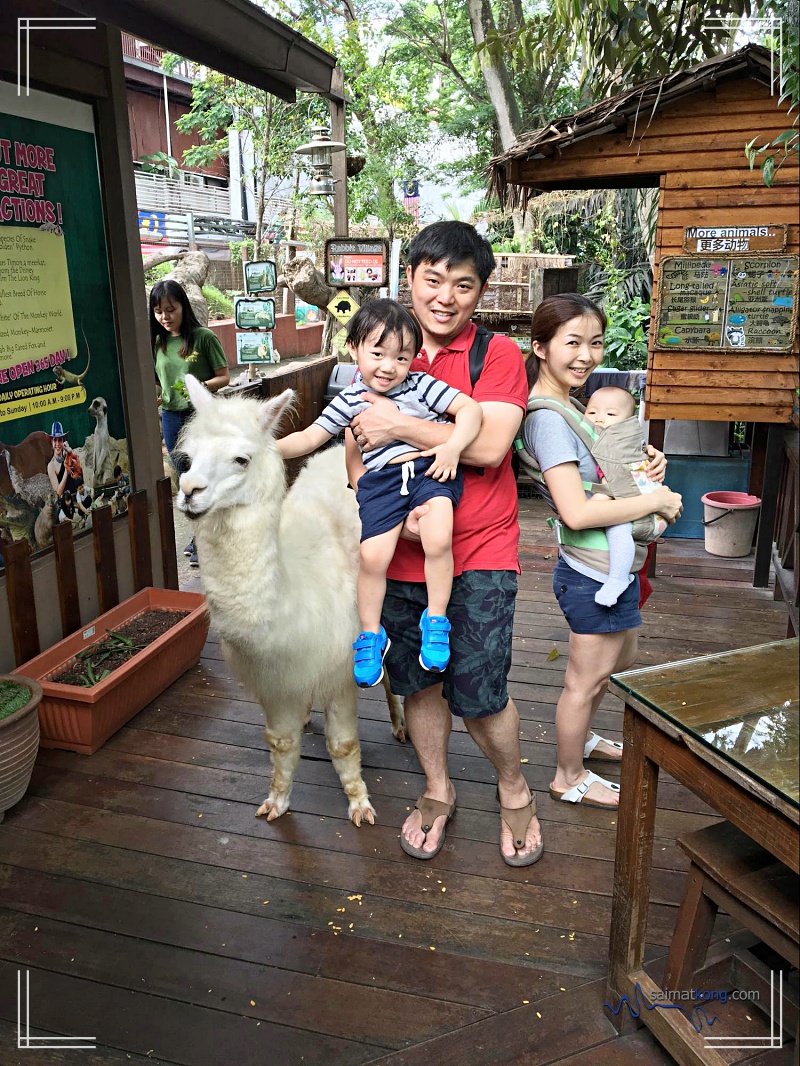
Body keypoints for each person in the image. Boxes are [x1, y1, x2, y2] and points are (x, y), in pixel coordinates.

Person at [345, 221, 542, 867]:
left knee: (481, 691)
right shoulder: (380, 345)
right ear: (410, 279)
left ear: (480, 292)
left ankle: (514, 789)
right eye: (432, 280)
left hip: (480, 549)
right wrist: (371, 502)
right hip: (396, 555)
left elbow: (487, 446)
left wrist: (399, 422)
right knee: (418, 685)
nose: (445, 297)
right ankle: (437, 787)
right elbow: (351, 439)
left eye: (462, 285)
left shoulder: (499, 356)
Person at [521, 294, 682, 809]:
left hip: (607, 567)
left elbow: (607, 466)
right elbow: (577, 511)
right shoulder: (547, 418)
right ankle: (568, 775)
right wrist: (654, 499)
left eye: (594, 342)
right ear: (540, 347)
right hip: (589, 571)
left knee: (619, 659)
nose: (585, 355)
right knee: (584, 681)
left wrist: (646, 464)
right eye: (572, 343)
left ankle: (582, 739)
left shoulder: (575, 406)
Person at [277, 299, 482, 687]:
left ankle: (436, 620)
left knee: (438, 537)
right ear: (353, 348)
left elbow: (470, 410)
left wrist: (453, 447)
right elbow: (310, 437)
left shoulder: (422, 386)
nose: (389, 366)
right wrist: (263, 449)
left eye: (402, 357)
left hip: (429, 469)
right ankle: (371, 634)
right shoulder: (348, 400)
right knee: (373, 557)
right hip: (382, 483)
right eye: (378, 353)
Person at [149, 279, 230, 566]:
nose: (165, 317)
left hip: (201, 416)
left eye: (171, 309)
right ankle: (203, 534)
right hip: (171, 417)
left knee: (203, 475)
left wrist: (199, 386)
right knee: (184, 476)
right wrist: (158, 396)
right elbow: (160, 384)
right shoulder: (157, 343)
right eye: (159, 311)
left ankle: (202, 540)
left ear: (184, 306)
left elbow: (224, 377)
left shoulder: (203, 337)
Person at [583, 385, 671, 607]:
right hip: (645, 504)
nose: (600, 419)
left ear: (628, 421)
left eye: (610, 414)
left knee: (618, 526)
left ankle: (618, 578)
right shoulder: (596, 438)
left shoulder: (617, 444)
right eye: (592, 412)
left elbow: (613, 480)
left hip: (642, 509)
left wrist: (587, 510)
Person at [46, 421, 82, 500]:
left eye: (60, 440)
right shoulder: (51, 466)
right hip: (66, 503)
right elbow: (58, 493)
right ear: (52, 442)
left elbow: (79, 471)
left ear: (63, 441)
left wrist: (71, 452)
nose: (57, 444)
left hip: (78, 497)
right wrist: (66, 471)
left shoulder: (68, 456)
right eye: (55, 440)